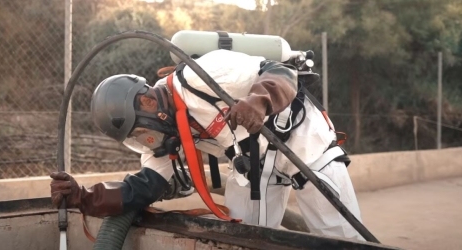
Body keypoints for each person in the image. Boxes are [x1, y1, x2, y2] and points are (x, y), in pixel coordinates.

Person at [49, 49, 364, 240]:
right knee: (243, 240)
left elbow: (281, 72)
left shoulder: (201, 76)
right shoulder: (161, 141)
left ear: (146, 101)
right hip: (253, 166)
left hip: (304, 142)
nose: (144, 141)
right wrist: (84, 197)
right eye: (134, 139)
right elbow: (142, 189)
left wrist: (259, 101)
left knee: (341, 238)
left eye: (139, 132)